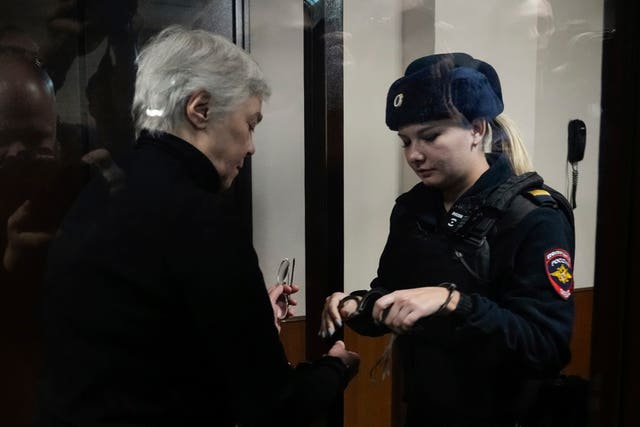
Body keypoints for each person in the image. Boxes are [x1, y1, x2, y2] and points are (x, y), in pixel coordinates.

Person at [36, 25, 359, 427]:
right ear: (200, 108)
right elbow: (279, 409)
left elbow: (141, 337)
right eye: (251, 123)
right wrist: (336, 368)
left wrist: (250, 314)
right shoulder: (200, 216)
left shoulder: (101, 189)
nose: (252, 146)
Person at [320, 52, 575, 426]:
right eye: (404, 141)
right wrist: (357, 306)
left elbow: (546, 346)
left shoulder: (532, 216)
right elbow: (391, 297)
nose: (414, 155)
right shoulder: (412, 210)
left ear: (477, 128)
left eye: (430, 136)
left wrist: (454, 303)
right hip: (425, 410)